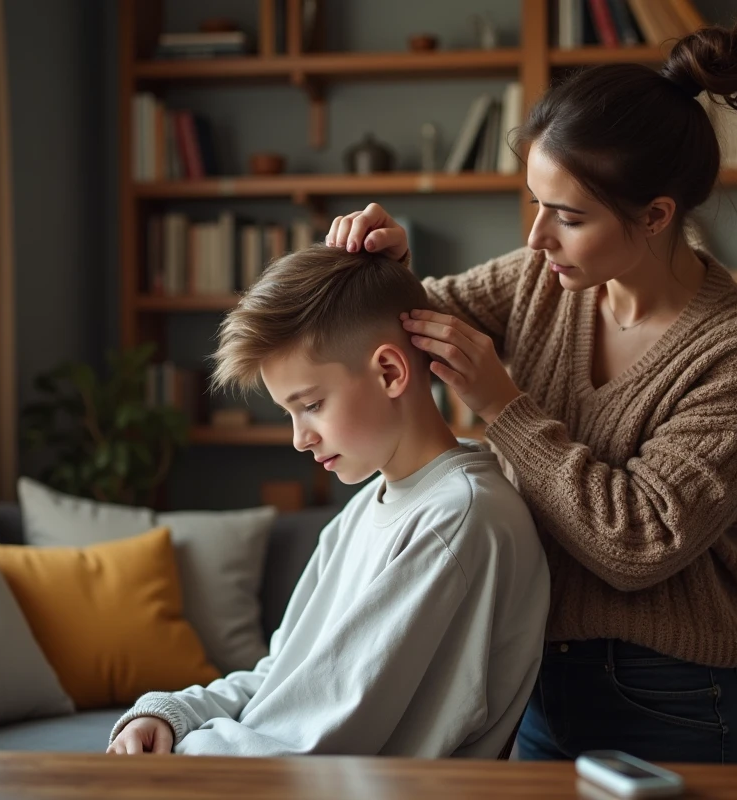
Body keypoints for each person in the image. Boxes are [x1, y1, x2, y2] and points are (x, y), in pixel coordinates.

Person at [326, 23, 737, 764]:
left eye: (570, 218)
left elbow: (642, 543)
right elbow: (410, 329)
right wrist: (389, 268)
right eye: (535, 204)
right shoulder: (542, 279)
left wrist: (505, 409)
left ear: (657, 215)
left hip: (665, 695)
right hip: (528, 673)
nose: (538, 237)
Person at [107, 244, 550, 758]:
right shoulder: (365, 508)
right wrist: (174, 715)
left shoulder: (458, 520)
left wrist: (170, 764)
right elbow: (284, 675)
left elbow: (315, 740)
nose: (300, 438)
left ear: (390, 372)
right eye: (290, 413)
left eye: (312, 405)